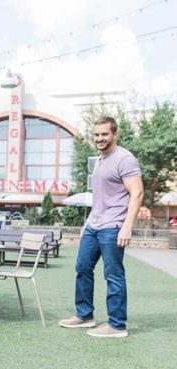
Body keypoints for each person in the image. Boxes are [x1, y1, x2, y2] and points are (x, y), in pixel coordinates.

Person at [59, 116, 143, 338]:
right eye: (96, 135)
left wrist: (127, 227)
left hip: (113, 226)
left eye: (104, 134)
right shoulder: (100, 159)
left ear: (115, 134)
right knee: (82, 268)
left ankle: (117, 325)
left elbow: (137, 193)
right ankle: (85, 315)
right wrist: (87, 222)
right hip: (94, 225)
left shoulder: (125, 159)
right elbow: (100, 196)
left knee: (113, 275)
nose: (100, 138)